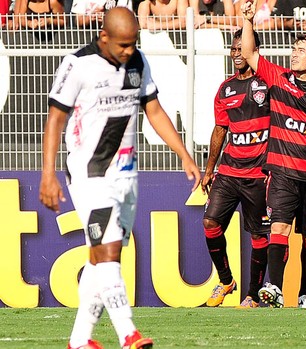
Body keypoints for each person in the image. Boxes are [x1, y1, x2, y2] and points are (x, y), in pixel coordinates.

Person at [39, 7, 200, 349]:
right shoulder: (78, 64)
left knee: (100, 260)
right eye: (123, 45)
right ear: (104, 37)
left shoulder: (139, 62)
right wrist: (48, 174)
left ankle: (80, 340)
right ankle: (129, 334)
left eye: (134, 43)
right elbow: (54, 119)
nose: (129, 51)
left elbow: (153, 110)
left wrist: (184, 154)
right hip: (89, 174)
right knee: (108, 252)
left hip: (126, 177)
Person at [240, 0, 306, 308]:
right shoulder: (279, 78)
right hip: (283, 172)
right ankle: (274, 287)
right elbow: (249, 54)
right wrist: (248, 21)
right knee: (279, 228)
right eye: (294, 50)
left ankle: (304, 294)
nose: (294, 54)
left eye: (301, 51)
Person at [201, 28, 271, 309]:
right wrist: (209, 170)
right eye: (233, 49)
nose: (236, 54)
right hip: (229, 171)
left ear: (254, 51)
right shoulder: (225, 88)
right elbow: (220, 129)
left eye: (242, 48)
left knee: (257, 235)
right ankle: (227, 280)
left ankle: (252, 294)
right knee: (210, 223)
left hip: (259, 174)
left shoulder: (269, 83)